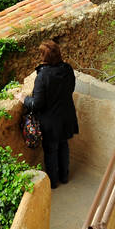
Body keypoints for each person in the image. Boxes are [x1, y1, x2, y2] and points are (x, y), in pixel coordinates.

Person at [16, 40, 79, 189]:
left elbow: (36, 103)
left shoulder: (43, 77)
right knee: (64, 146)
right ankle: (64, 177)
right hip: (66, 116)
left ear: (44, 56)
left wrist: (23, 98)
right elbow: (70, 89)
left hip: (50, 122)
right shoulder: (67, 69)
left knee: (51, 151)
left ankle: (53, 182)